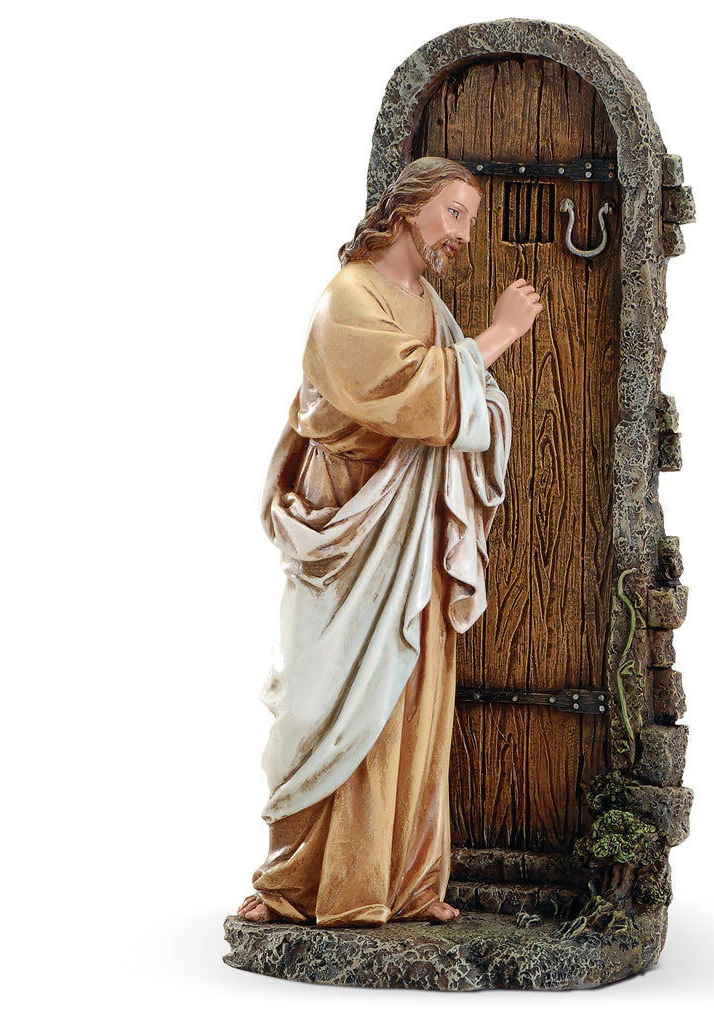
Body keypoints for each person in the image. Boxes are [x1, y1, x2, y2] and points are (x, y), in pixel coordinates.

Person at [237, 157, 543, 926]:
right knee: (325, 703)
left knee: (408, 690)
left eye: (469, 219)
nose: (462, 234)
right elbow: (406, 392)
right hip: (347, 525)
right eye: (453, 213)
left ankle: (399, 880)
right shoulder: (348, 298)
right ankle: (296, 884)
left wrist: (477, 379)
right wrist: (502, 333)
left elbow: (471, 398)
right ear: (408, 209)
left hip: (412, 532)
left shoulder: (429, 307)